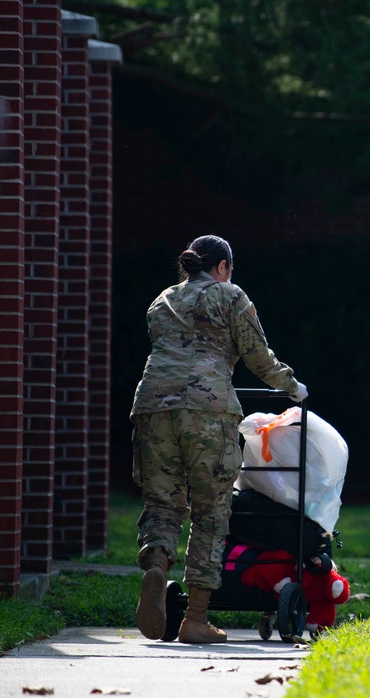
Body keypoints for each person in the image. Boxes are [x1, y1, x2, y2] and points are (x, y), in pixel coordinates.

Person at [130, 235, 308, 644]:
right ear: (223, 266)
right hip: (208, 411)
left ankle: (157, 562)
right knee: (211, 509)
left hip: (152, 404)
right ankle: (195, 618)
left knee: (162, 502)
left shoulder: (162, 301)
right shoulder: (230, 296)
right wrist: (291, 385)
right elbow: (257, 355)